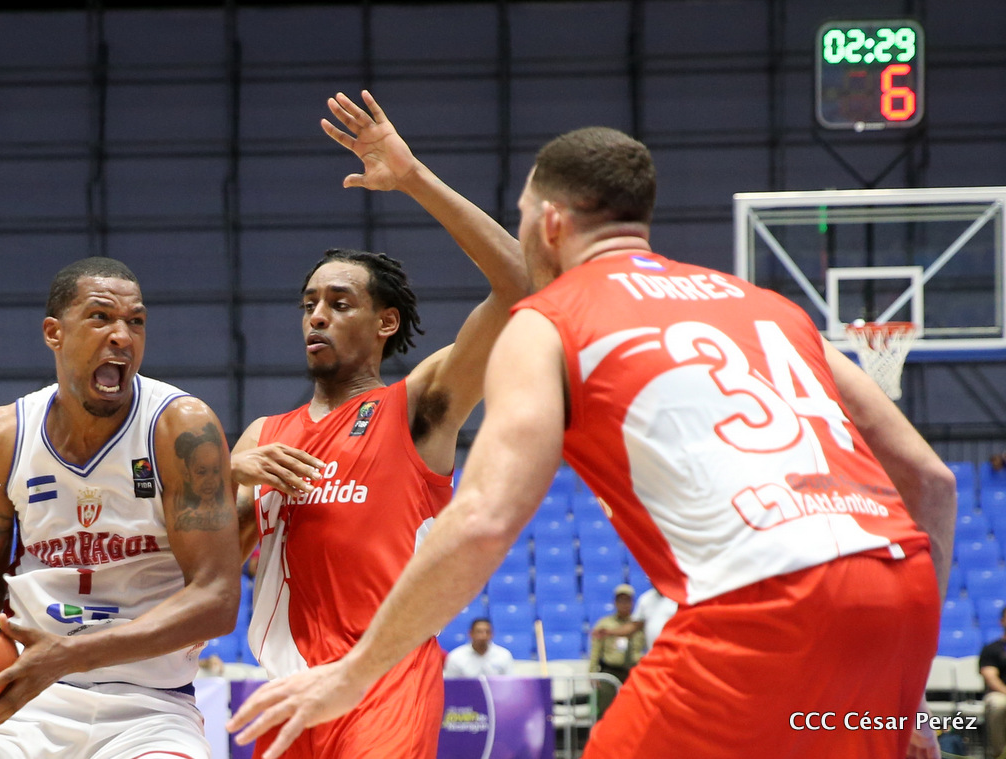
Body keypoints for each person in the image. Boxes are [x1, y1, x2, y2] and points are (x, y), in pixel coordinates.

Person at [227, 125, 957, 759]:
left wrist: (353, 675)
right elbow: (930, 481)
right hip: (899, 595)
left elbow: (483, 519)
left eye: (519, 216)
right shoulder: (771, 307)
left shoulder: (553, 319)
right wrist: (906, 685)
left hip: (759, 597)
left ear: (548, 224)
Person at [225, 90, 527, 759]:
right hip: (287, 689)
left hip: (386, 681)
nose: (317, 315)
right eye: (309, 303)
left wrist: (412, 177)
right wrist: (220, 475)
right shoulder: (261, 437)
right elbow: (204, 563)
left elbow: (522, 287)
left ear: (386, 322)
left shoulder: (417, 405)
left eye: (340, 302)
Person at [0, 257, 242, 758]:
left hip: (151, 708)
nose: (122, 336)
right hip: (27, 699)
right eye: (100, 317)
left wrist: (69, 654)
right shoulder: (2, 436)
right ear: (54, 332)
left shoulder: (179, 427)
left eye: (135, 321)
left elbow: (218, 600)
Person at [588, 584, 643, 712]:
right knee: (606, 706)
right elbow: (595, 650)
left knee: (635, 709)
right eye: (620, 600)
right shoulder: (605, 624)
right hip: (611, 670)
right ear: (615, 602)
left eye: (627, 600)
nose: (624, 604)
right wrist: (592, 672)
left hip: (633, 670)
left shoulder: (638, 624)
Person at [443, 618, 514, 678]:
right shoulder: (456, 656)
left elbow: (509, 683)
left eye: (487, 632)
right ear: (471, 633)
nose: (483, 636)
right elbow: (450, 684)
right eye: (479, 632)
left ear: (492, 634)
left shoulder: (504, 655)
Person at [979, 607, 1006, 759]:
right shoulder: (992, 649)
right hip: (1000, 693)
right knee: (999, 705)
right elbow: (990, 677)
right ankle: (999, 754)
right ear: (1002, 621)